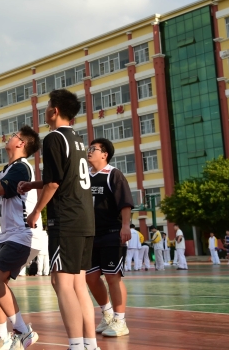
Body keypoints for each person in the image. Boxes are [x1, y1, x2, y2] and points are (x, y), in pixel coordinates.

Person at [19, 89, 97, 350]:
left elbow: (54, 183)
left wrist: (36, 211)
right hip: (85, 217)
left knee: (61, 282)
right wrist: (33, 184)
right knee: (78, 284)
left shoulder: (53, 137)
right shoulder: (77, 139)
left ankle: (76, 344)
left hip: (66, 218)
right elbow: (64, 178)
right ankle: (90, 344)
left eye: (47, 106)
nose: (45, 110)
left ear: (54, 111)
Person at [0, 126, 41, 350]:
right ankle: (1, 336)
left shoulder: (22, 168)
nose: (9, 137)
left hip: (23, 235)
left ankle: (22, 330)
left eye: (13, 135)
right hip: (8, 236)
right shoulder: (7, 170)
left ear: (21, 143)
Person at [84, 137, 133, 338]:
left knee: (113, 276)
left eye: (94, 149)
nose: (89, 151)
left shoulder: (114, 174)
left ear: (104, 154)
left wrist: (125, 226)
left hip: (111, 233)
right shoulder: (84, 176)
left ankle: (120, 321)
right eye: (89, 148)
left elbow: (125, 203)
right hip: (90, 235)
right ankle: (107, 314)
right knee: (90, 277)